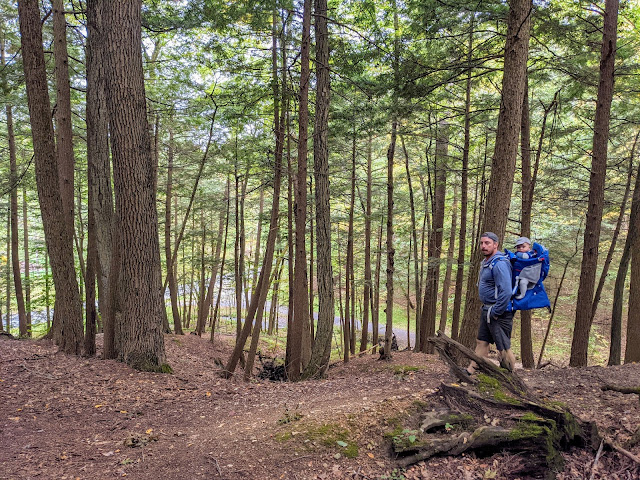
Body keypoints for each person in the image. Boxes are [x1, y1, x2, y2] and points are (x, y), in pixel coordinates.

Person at [467, 232, 516, 375]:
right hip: (487, 310)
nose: (483, 246)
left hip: (498, 312)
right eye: (482, 243)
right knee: (482, 341)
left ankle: (511, 380)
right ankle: (471, 371)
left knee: (504, 349)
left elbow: (506, 291)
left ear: (496, 244)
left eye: (487, 243)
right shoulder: (486, 263)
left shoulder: (500, 263)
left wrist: (496, 311)